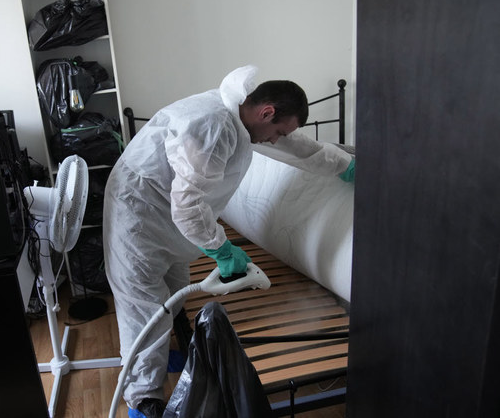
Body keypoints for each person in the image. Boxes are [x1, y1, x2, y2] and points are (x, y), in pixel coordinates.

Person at [102, 65, 354, 418]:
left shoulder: (245, 112)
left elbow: (298, 146)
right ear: (267, 112)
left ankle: (166, 351)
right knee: (143, 304)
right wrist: (221, 248)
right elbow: (188, 205)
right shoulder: (210, 126)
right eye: (278, 130)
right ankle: (144, 399)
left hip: (169, 211)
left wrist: (345, 166)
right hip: (138, 210)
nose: (276, 139)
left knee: (173, 286)